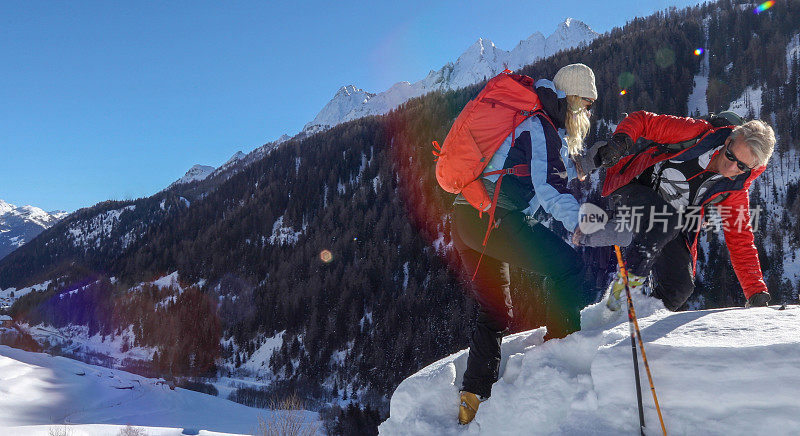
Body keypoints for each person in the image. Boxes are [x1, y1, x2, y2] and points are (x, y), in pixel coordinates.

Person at [451, 63, 596, 425]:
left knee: (495, 311)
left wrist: (587, 165)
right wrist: (582, 223)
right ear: (574, 100)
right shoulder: (540, 127)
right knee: (568, 267)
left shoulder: (532, 122)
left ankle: (472, 398)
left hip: (466, 216)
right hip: (495, 220)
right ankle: (557, 361)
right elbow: (550, 188)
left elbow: (542, 170)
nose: (590, 113)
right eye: (589, 104)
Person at [576, 111, 775, 311]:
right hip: (635, 190)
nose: (731, 166)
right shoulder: (697, 135)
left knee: (680, 288)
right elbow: (643, 121)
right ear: (729, 141)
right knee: (666, 222)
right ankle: (621, 297)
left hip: (669, 223)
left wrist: (755, 292)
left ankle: (641, 318)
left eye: (741, 166)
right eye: (731, 155)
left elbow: (740, 240)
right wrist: (620, 142)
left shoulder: (733, 189)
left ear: (751, 168)